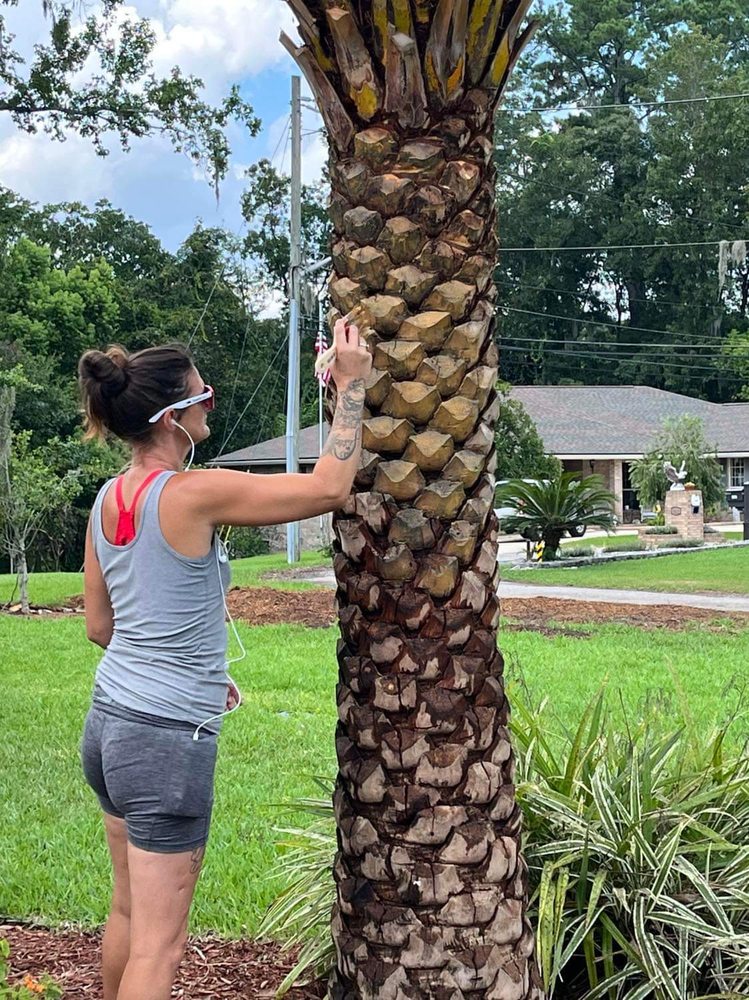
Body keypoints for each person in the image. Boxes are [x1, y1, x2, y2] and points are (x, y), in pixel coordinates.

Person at [77, 318, 370, 1000]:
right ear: (172, 416)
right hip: (160, 742)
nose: (211, 400)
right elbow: (329, 489)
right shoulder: (193, 492)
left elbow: (99, 626)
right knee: (162, 948)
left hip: (109, 724)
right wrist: (351, 384)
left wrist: (189, 669)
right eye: (202, 394)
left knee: (126, 911)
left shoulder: (107, 499)